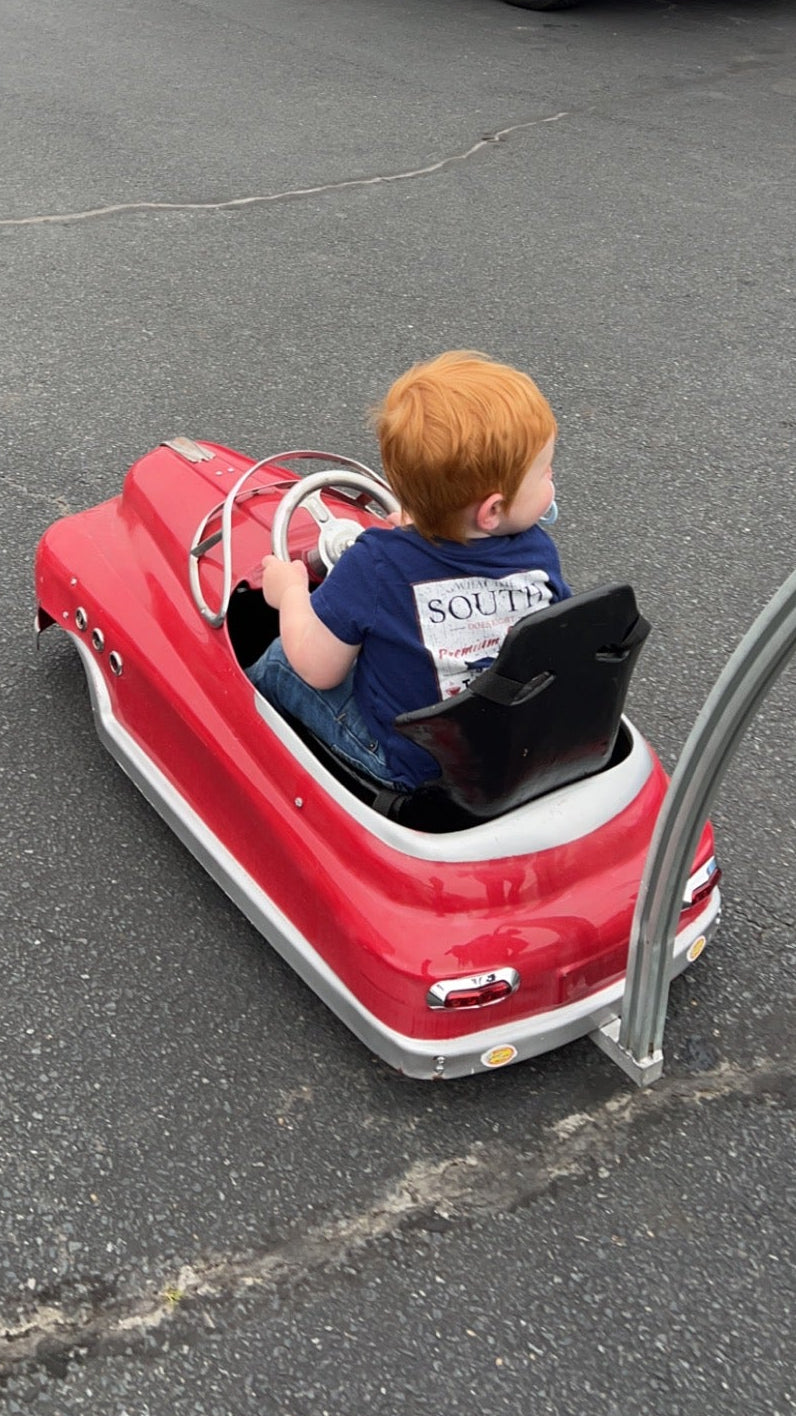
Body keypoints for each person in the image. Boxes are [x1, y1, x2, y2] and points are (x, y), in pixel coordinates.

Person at [247, 350, 571, 790]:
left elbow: (318, 670)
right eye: (545, 472)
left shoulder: (375, 565)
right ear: (492, 511)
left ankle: (243, 730)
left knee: (280, 660)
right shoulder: (536, 553)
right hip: (513, 741)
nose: (551, 479)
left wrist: (289, 595)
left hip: (419, 768)